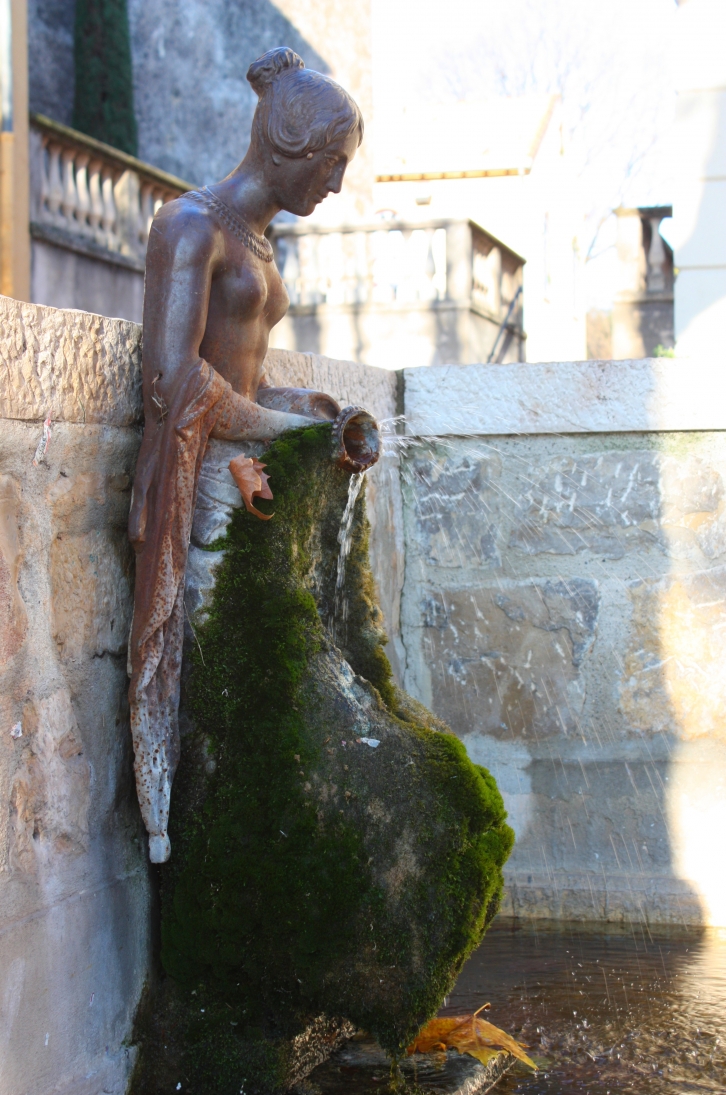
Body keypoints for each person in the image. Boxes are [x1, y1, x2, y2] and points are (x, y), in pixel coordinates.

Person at [127, 47, 364, 863]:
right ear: (290, 145)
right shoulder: (190, 224)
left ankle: (253, 856)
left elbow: (247, 378)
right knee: (219, 688)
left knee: (262, 686)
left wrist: (309, 410)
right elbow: (172, 378)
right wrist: (276, 429)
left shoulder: (262, 248)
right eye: (331, 164)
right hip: (201, 488)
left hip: (249, 475)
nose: (334, 185)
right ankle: (200, 857)